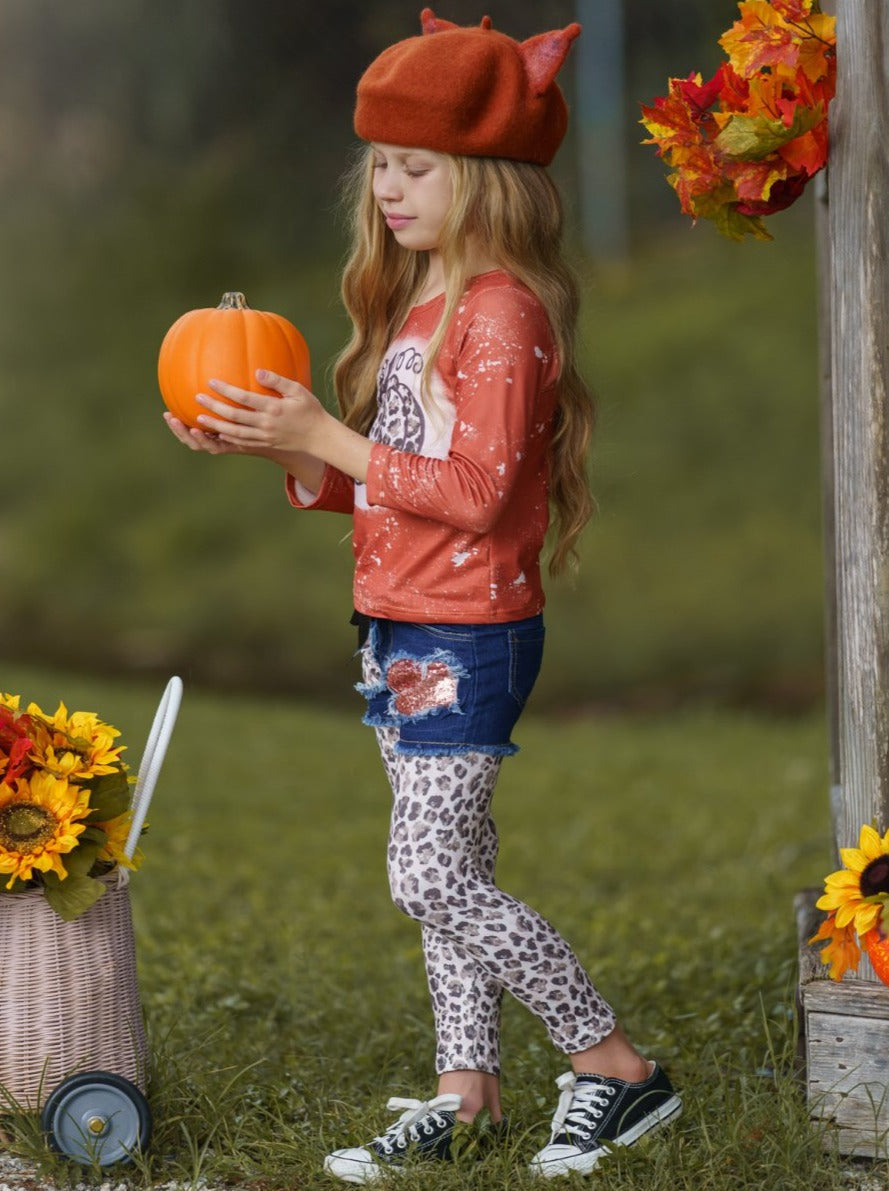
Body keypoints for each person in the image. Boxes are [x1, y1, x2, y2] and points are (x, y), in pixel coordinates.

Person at [164, 9, 681, 1181]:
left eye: (414, 168)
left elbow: (480, 492)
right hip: (402, 629)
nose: (386, 190)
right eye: (379, 167)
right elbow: (390, 489)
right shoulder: (420, 308)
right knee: (451, 880)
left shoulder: (499, 315)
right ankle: (469, 1089)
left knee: (429, 877)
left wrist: (324, 435)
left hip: (468, 637)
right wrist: (286, 450)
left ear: (487, 180)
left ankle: (615, 1068)